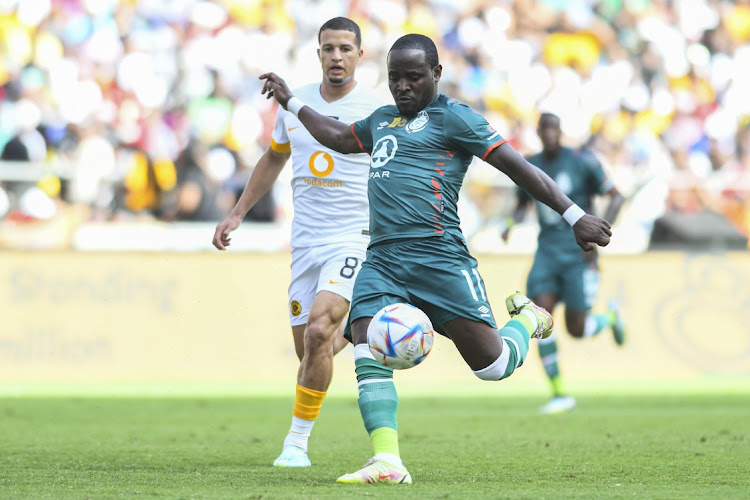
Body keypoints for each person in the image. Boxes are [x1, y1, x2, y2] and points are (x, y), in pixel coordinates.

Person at [259, 33, 613, 485]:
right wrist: (290, 102)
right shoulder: (380, 120)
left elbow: (519, 168)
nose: (402, 87)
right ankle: (387, 461)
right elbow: (335, 137)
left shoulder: (455, 118)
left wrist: (574, 215)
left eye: (413, 77)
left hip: (440, 258)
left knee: (494, 366)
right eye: (394, 78)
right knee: (366, 340)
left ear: (436, 75)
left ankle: (527, 318)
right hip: (383, 258)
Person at [212, 17, 382, 468]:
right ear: (319, 53)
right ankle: (362, 326)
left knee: (319, 329)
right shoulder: (295, 104)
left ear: (360, 55)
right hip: (306, 243)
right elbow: (273, 158)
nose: (337, 56)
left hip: (354, 238)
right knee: (309, 349)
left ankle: (296, 443)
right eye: (329, 48)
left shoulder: (375, 108)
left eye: (346, 48)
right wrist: (237, 212)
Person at [502, 112, 626, 414]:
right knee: (540, 318)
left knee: (576, 328)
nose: (548, 134)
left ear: (560, 131)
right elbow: (521, 204)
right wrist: (509, 224)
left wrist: (599, 232)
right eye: (543, 129)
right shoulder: (531, 165)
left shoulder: (582, 161)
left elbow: (616, 196)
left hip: (578, 254)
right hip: (546, 253)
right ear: (538, 132)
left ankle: (609, 318)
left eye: (553, 129)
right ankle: (558, 393)